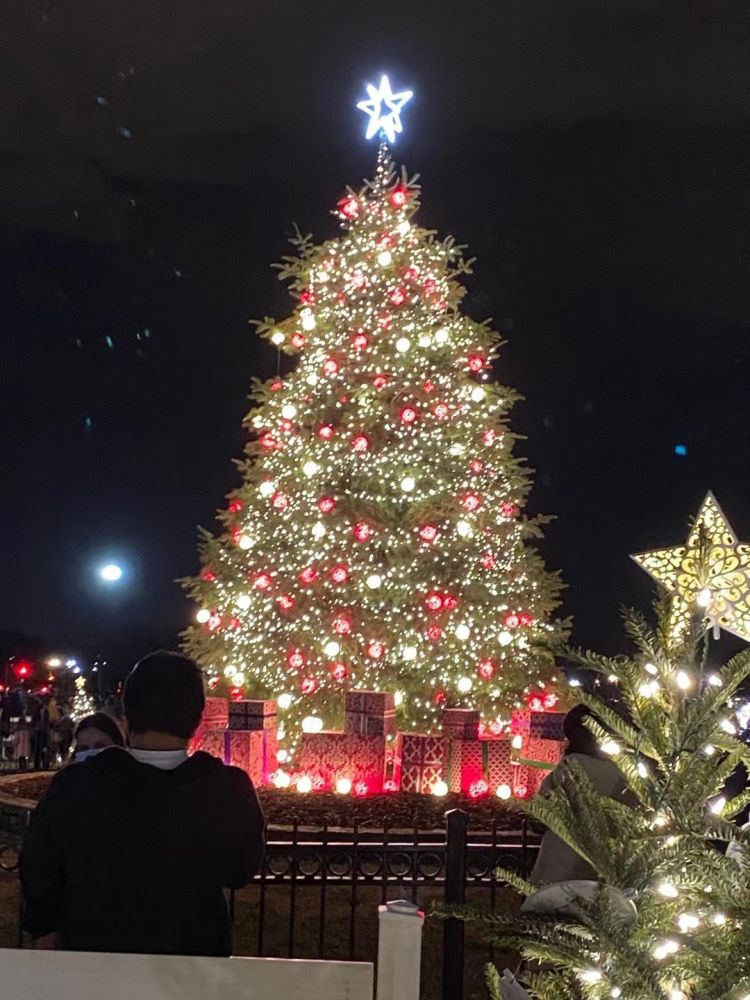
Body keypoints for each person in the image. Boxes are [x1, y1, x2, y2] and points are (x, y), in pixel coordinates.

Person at [20, 650, 265, 955]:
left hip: (94, 955)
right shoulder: (227, 789)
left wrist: (44, 925)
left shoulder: (77, 785)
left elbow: (39, 864)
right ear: (198, 718)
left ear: (127, 714)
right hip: (193, 958)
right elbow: (239, 869)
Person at [529, 704, 629, 885]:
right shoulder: (619, 772)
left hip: (562, 856)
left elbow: (543, 806)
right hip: (605, 856)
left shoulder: (569, 766)